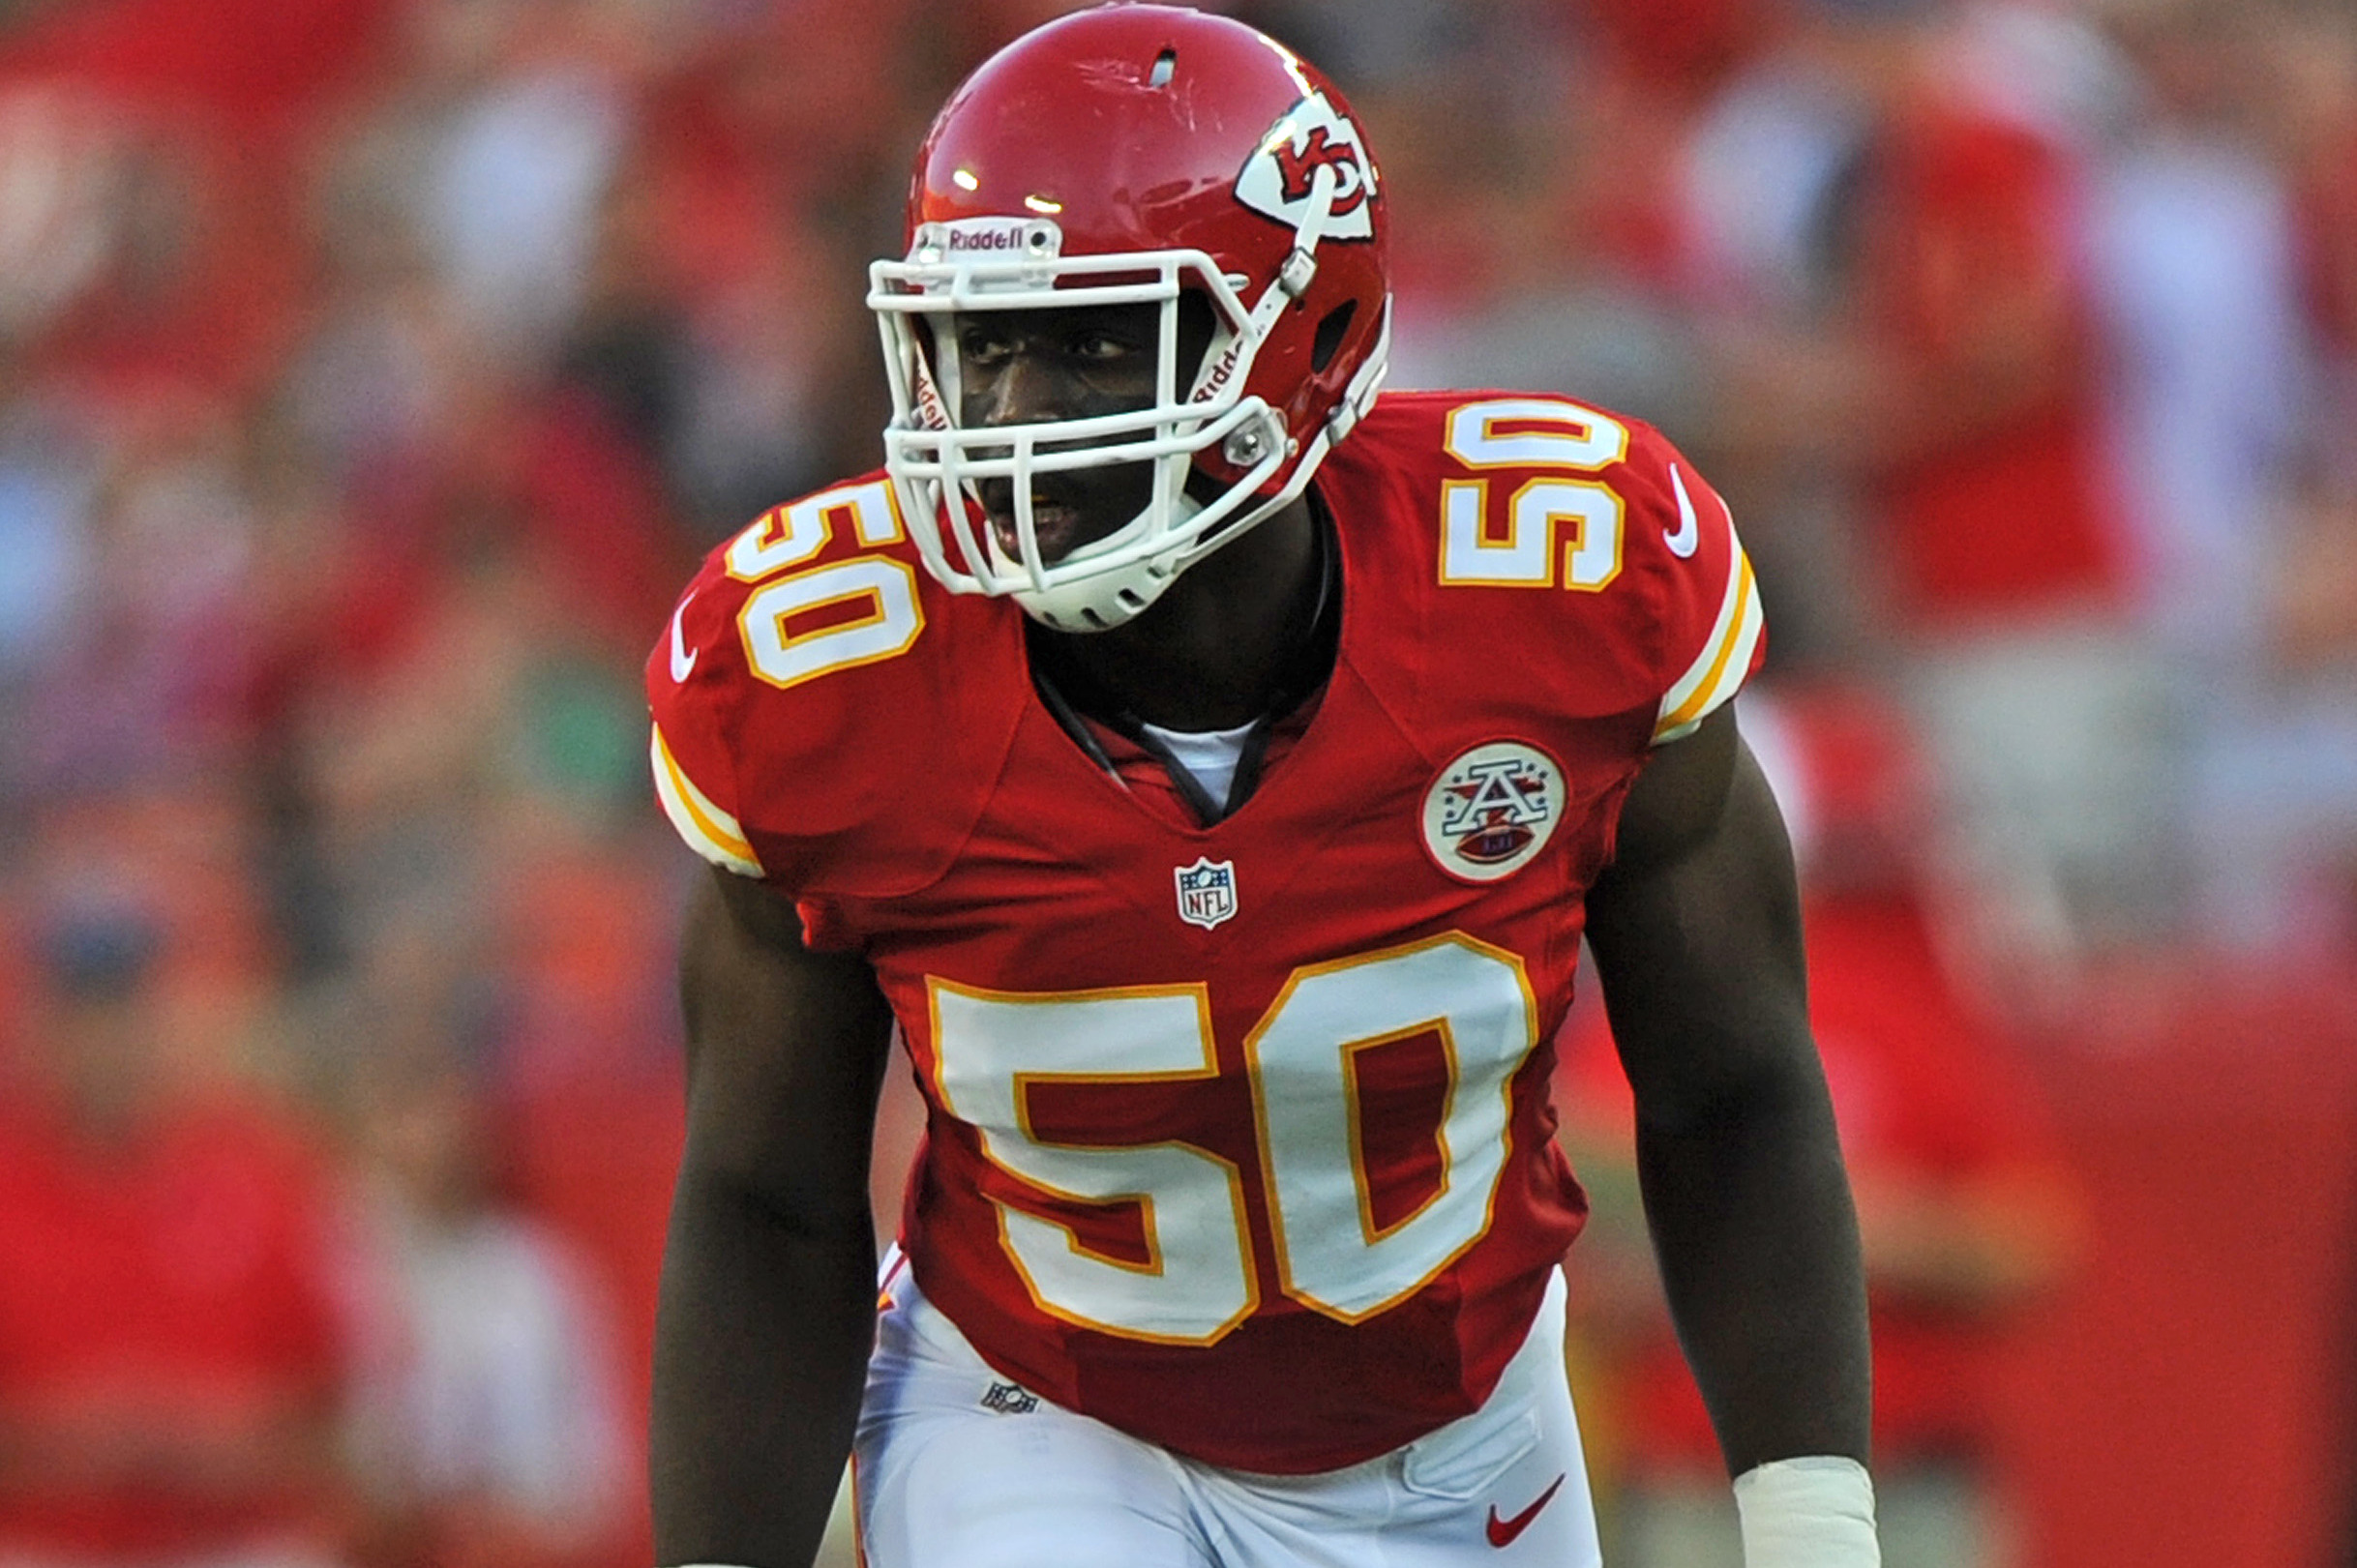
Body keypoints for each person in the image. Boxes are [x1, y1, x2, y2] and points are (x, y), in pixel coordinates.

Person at [642, 8, 1876, 1567]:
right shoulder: (828, 677)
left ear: (1310, 331)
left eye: (1096, 341)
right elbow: (767, 1192)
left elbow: (1737, 1087)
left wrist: (1815, 1521)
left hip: (1459, 1429)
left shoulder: (1561, 583)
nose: (1015, 412)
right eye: (983, 342)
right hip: (1038, 1413)